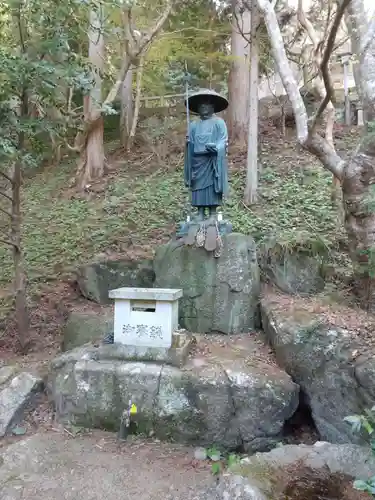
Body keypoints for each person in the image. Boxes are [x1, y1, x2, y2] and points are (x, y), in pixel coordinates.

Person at [184, 89, 229, 221]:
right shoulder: (193, 125)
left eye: (206, 104)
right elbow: (190, 143)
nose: (203, 107)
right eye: (200, 105)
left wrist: (216, 147)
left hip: (212, 161)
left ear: (212, 106)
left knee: (212, 186)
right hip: (197, 161)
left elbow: (223, 141)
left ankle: (213, 213)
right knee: (197, 186)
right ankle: (200, 212)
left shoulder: (219, 123)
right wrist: (188, 144)